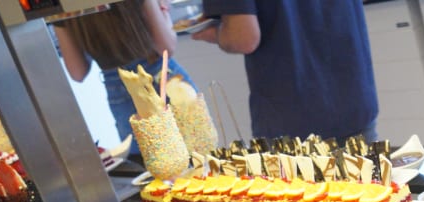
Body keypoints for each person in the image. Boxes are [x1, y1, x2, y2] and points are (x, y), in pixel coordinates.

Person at [192, 1, 378, 142]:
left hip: (292, 118)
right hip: (354, 99)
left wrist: (217, 32)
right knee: (370, 182)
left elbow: (242, 37)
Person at [53, 0, 196, 155]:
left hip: (119, 89)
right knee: (199, 156)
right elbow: (166, 46)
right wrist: (164, 13)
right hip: (162, 77)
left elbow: (77, 72)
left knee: (152, 164)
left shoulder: (61, 5)